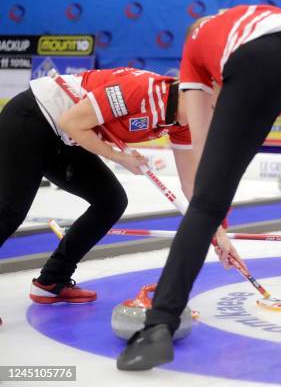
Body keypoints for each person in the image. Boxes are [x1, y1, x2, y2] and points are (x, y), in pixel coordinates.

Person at [117, 4, 281, 371]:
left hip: (259, 61)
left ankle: (159, 326)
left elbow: (200, 141)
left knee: (207, 202)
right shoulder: (253, 14)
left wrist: (214, 213)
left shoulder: (194, 50)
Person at [0, 67, 218, 307]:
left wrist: (214, 229)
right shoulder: (141, 90)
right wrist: (120, 157)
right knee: (10, 211)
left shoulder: (184, 124)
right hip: (34, 118)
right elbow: (71, 121)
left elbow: (190, 183)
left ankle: (52, 282)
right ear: (189, 92)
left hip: (65, 137)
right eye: (208, 107)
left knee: (110, 201)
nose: (208, 118)